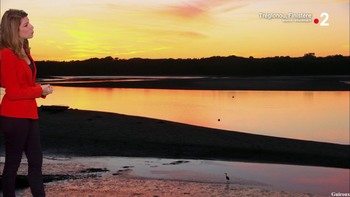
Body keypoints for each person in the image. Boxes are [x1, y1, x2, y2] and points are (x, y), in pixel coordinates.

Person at [0, 9, 53, 197]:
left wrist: (41, 90)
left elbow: (25, 84)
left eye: (29, 22)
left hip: (30, 113)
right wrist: (39, 91)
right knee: (12, 165)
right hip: (14, 116)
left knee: (36, 163)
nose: (31, 27)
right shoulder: (6, 54)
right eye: (26, 24)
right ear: (14, 30)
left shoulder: (25, 50)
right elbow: (13, 92)